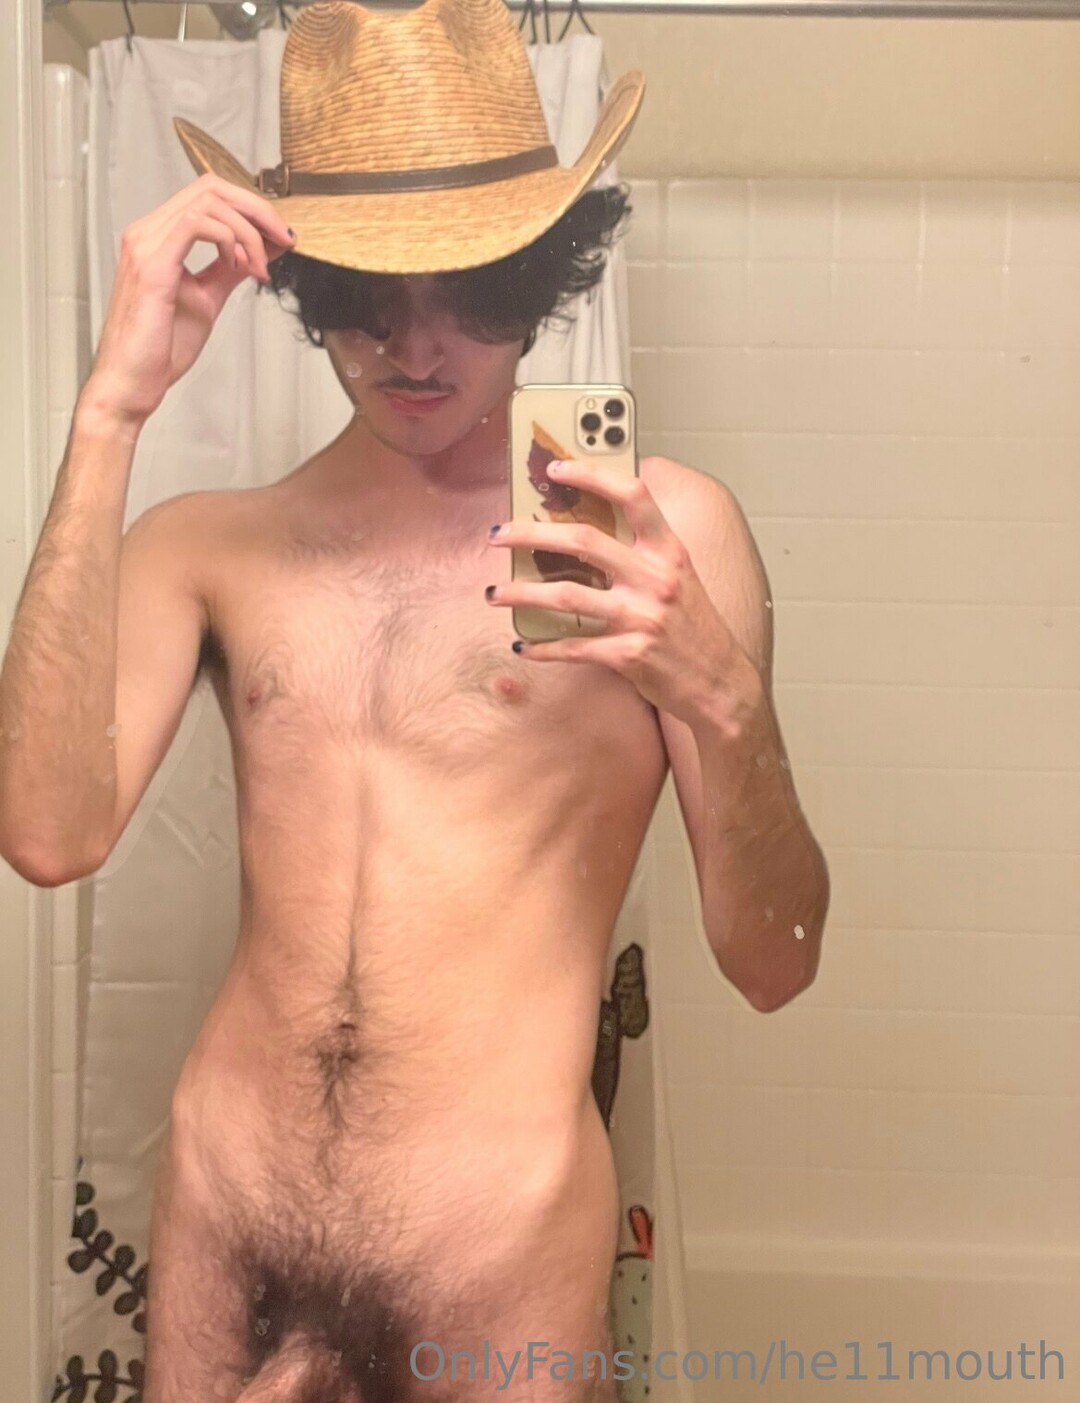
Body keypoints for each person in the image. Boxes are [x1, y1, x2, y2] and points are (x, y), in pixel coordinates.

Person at [0, 1, 829, 1399]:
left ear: (544, 273)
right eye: (368, 297)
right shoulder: (211, 545)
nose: (419, 348)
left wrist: (725, 704)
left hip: (493, 1263)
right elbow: (44, 832)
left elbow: (773, 962)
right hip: (225, 1233)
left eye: (475, 291)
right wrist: (109, 415)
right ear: (303, 282)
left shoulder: (662, 540)